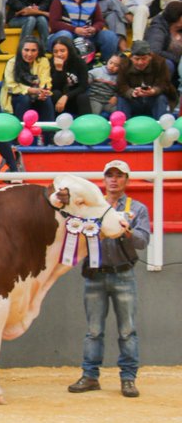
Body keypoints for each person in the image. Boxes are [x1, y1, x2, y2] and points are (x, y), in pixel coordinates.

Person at [70, 159, 150, 398]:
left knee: (127, 330)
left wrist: (125, 231)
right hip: (95, 273)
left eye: (119, 175)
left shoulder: (137, 209)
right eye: (110, 175)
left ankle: (127, 378)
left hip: (123, 273)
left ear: (126, 179)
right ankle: (90, 375)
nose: (114, 179)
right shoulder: (91, 209)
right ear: (104, 180)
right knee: (94, 330)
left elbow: (143, 241)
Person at [49, 0, 120, 63]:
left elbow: (100, 21)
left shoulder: (93, 1)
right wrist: (75, 29)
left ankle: (105, 65)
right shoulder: (59, 0)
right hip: (63, 36)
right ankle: (62, 66)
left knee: (109, 36)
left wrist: (94, 28)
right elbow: (54, 23)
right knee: (65, 35)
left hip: (86, 37)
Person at [116, 40, 176, 118]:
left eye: (144, 59)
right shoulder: (124, 64)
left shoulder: (160, 62)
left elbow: (164, 83)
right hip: (134, 100)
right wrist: (132, 92)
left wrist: (154, 91)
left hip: (153, 99)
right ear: (131, 58)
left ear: (150, 57)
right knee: (122, 99)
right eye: (137, 59)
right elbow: (121, 86)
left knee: (161, 98)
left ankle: (162, 126)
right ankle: (122, 125)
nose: (140, 62)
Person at [1, 38, 51, 115]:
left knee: (46, 99)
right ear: (21, 50)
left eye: (33, 50)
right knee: (25, 99)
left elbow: (46, 81)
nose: (29, 54)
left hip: (37, 95)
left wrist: (43, 92)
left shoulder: (43, 61)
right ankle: (21, 126)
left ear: (38, 51)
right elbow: (11, 87)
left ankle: (48, 126)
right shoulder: (12, 63)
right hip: (16, 96)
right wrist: (31, 90)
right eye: (26, 50)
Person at [46, 36, 91, 121]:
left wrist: (66, 96)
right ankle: (56, 128)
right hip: (58, 101)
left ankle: (87, 125)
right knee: (55, 93)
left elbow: (83, 86)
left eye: (62, 51)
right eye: (55, 51)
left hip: (73, 97)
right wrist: (59, 69)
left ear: (69, 50)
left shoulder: (79, 62)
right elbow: (54, 87)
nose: (59, 54)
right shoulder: (50, 63)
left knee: (83, 97)